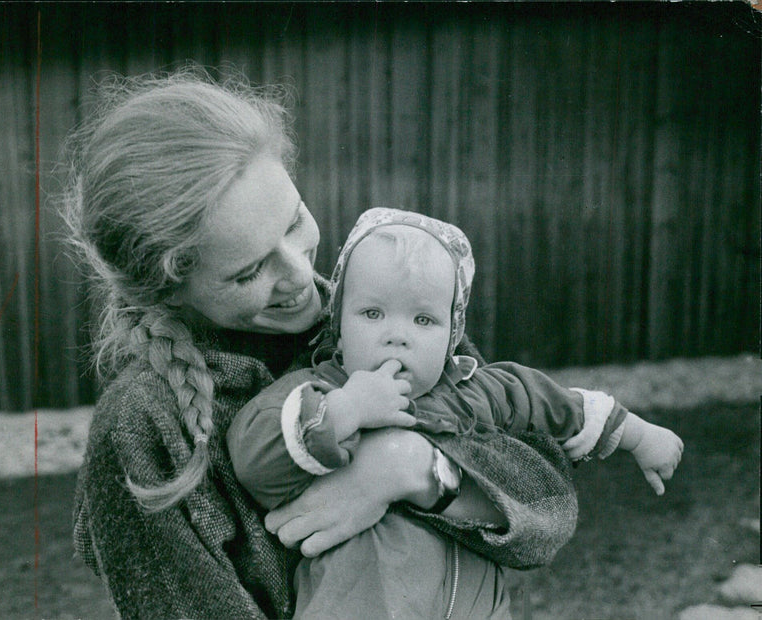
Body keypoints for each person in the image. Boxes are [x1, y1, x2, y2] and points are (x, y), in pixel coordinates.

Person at [66, 69, 583, 620]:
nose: (298, 277)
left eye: (294, 223)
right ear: (166, 289)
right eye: (248, 273)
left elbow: (549, 508)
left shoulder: (376, 321)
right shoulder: (143, 424)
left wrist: (413, 468)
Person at [228, 207, 685, 619]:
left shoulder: (476, 389)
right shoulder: (320, 389)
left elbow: (559, 404)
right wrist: (345, 411)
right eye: (371, 313)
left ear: (451, 336)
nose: (396, 336)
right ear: (339, 327)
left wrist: (640, 436)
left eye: (422, 320)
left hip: (475, 604)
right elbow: (255, 452)